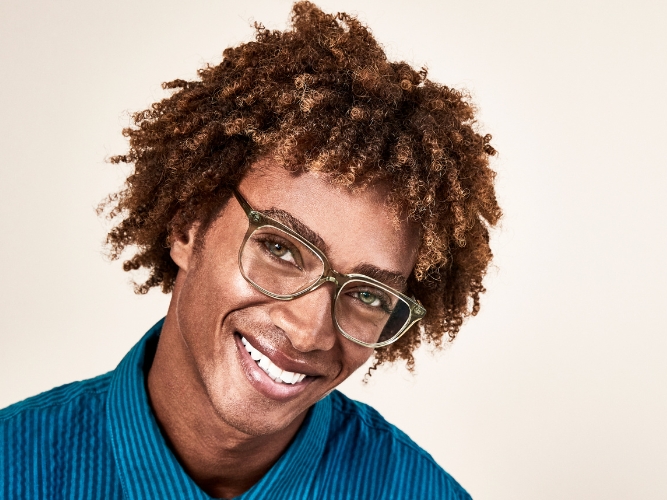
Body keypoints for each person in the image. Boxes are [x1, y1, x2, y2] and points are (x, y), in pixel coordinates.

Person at [0, 2, 500, 498]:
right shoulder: (14, 467)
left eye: (369, 295)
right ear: (187, 227)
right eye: (280, 248)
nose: (310, 332)